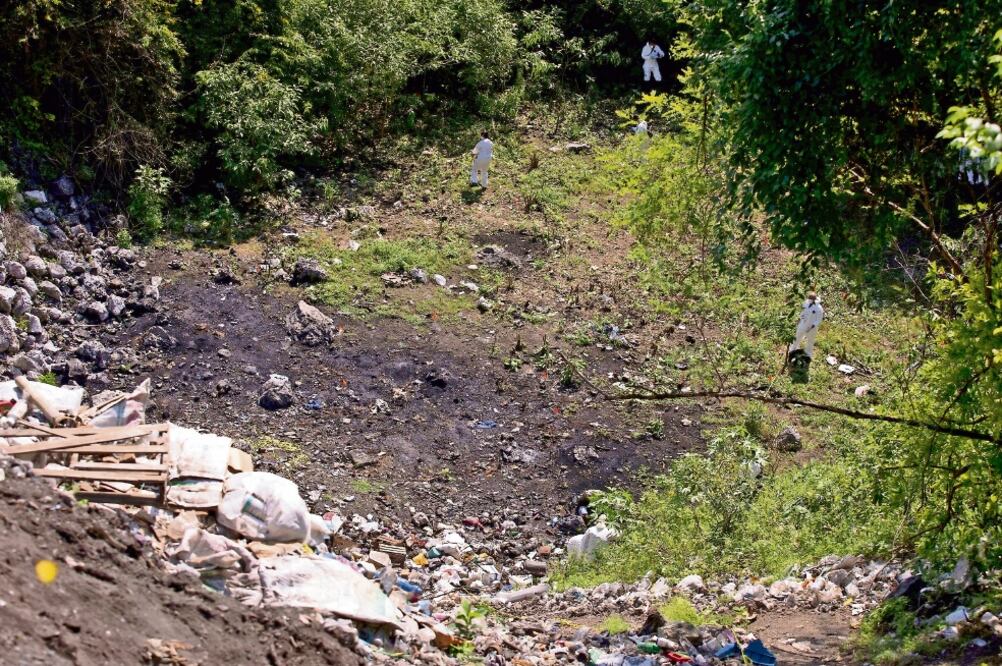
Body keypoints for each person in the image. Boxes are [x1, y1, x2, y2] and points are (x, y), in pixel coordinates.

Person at [788, 292, 824, 360]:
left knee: (810, 341)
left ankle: (808, 354)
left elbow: (819, 319)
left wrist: (812, 326)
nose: (809, 300)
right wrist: (799, 319)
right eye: (809, 298)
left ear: (814, 299)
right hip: (803, 324)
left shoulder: (819, 308)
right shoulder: (806, 303)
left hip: (812, 327)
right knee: (797, 337)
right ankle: (793, 350)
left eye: (811, 299)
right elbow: (802, 312)